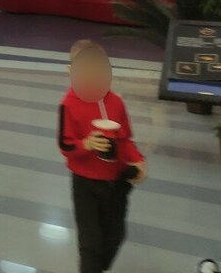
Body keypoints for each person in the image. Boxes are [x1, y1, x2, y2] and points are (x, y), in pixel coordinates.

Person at [58, 40, 148, 273]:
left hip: (116, 182)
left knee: (115, 235)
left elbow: (125, 139)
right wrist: (86, 144)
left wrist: (138, 160)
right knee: (90, 242)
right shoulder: (68, 105)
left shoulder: (115, 102)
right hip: (85, 184)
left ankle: (99, 266)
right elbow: (65, 145)